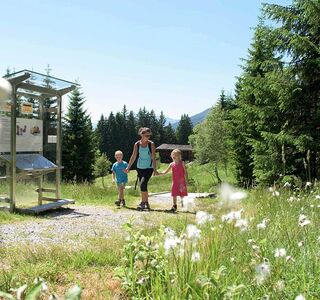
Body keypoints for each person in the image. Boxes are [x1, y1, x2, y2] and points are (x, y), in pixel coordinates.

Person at [125, 127, 157, 210]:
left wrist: (155, 169)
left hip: (149, 168)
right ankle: (146, 202)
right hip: (139, 168)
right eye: (147, 135)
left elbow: (153, 157)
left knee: (142, 184)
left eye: (149, 136)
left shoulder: (151, 144)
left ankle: (143, 203)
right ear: (141, 135)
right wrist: (128, 167)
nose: (148, 137)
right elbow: (133, 156)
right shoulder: (137, 144)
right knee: (143, 185)